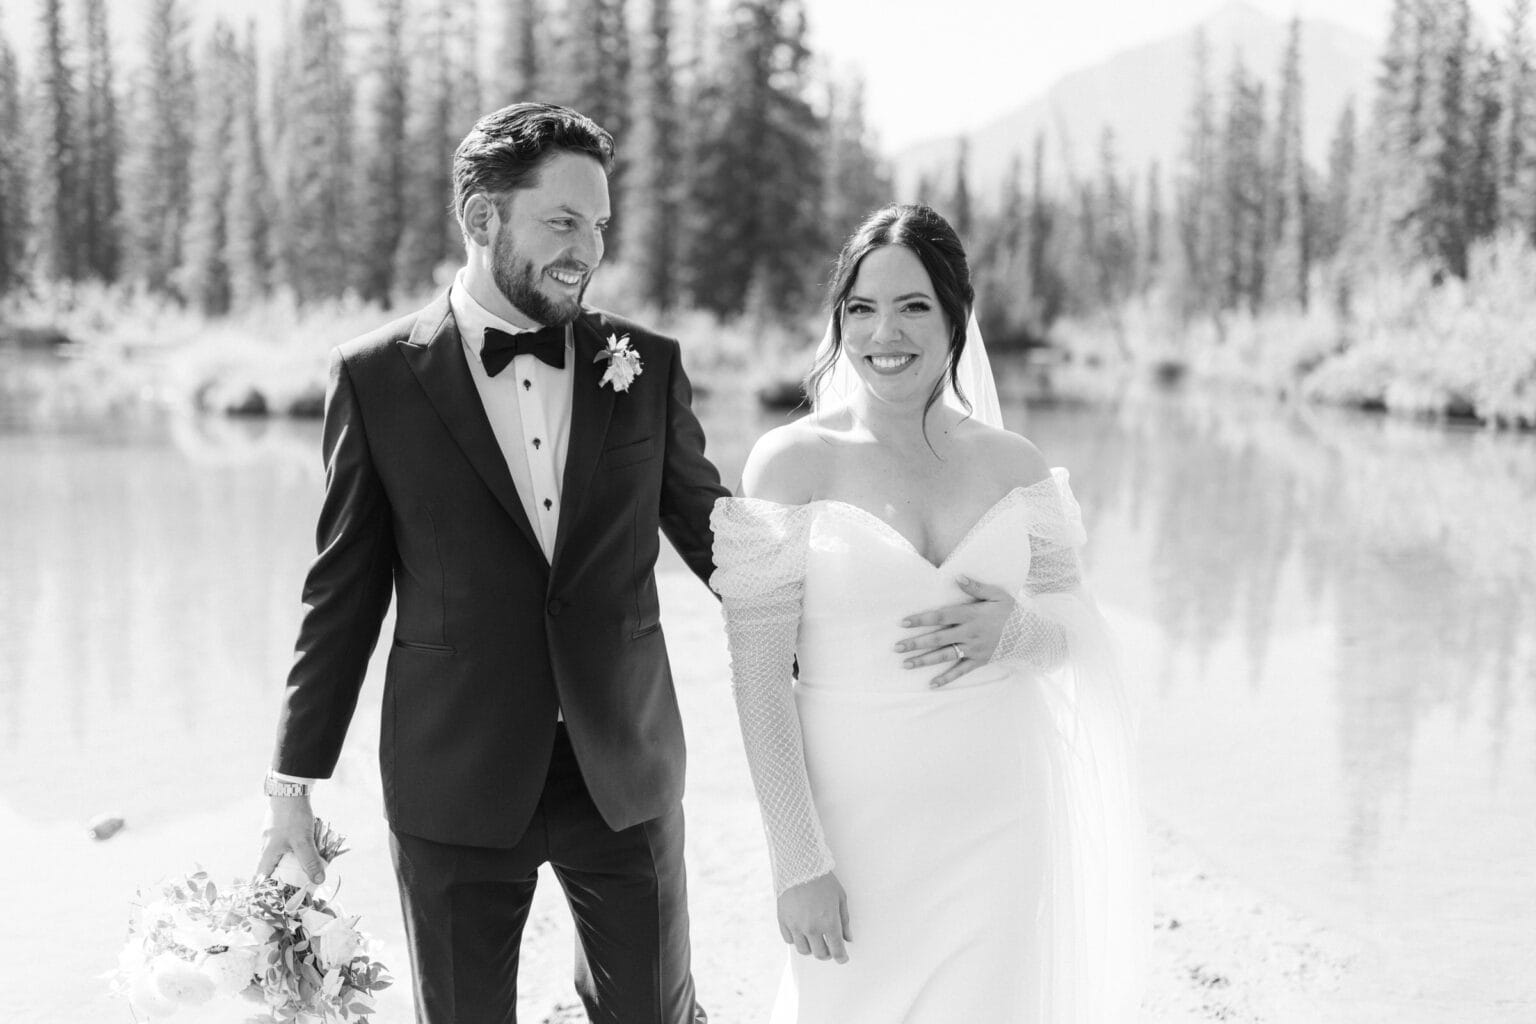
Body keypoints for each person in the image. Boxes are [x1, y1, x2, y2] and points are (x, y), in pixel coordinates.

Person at [252, 103, 726, 1024]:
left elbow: (716, 538)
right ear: (481, 218)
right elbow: (341, 597)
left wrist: (852, 604)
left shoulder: (648, 366)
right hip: (454, 777)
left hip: (622, 768)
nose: (587, 249)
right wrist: (290, 788)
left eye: (598, 226)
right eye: (562, 221)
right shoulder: (375, 378)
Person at [710, 203, 1148, 1022]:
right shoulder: (790, 463)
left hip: (1001, 820)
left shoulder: (1015, 468)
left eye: (913, 306)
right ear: (839, 320)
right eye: (861, 308)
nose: (885, 333)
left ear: (956, 318)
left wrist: (1015, 631)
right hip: (854, 827)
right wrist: (798, 859)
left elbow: (1080, 637)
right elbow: (757, 680)